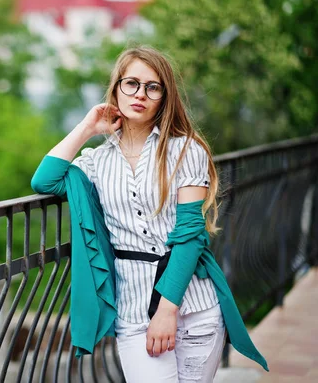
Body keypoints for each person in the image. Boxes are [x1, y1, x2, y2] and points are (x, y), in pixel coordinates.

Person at [31, 46, 267, 382]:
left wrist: (167, 310)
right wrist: (87, 127)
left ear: (164, 97)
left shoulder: (186, 149)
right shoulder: (95, 162)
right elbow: (44, 180)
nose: (140, 94)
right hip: (133, 310)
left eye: (152, 87)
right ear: (116, 89)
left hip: (194, 306)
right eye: (131, 83)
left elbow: (189, 234)